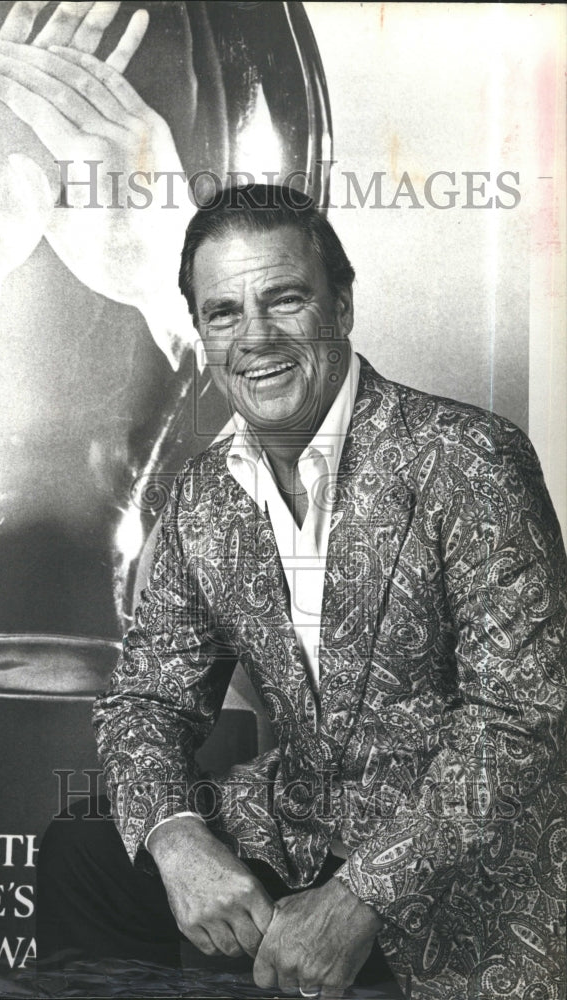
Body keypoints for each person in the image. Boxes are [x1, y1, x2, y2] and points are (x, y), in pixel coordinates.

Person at [35, 184, 567, 999]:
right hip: (302, 831)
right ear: (202, 334)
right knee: (86, 853)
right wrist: (177, 838)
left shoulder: (469, 458)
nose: (256, 338)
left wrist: (361, 896)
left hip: (461, 869)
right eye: (223, 313)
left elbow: (522, 721)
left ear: (342, 305)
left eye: (284, 299)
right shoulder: (205, 493)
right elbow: (147, 701)